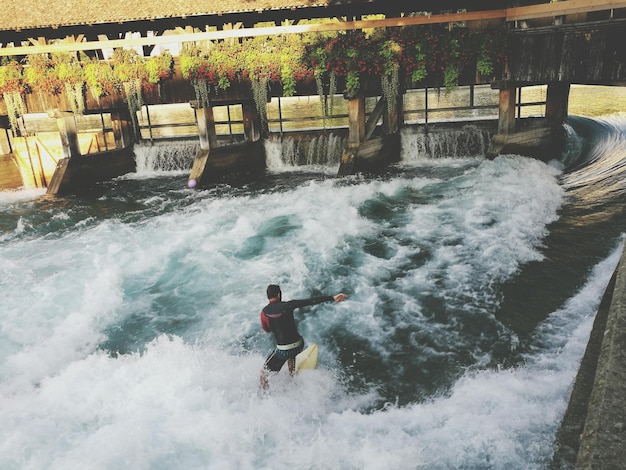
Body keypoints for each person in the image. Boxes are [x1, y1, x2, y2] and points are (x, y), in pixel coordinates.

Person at [259, 284, 347, 389]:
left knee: (263, 374)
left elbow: (266, 329)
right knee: (291, 353)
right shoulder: (288, 305)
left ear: (268, 296)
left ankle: (266, 395)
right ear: (279, 294)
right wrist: (332, 298)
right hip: (298, 345)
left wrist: (268, 329)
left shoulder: (264, 313)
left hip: (283, 350)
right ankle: (292, 376)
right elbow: (309, 301)